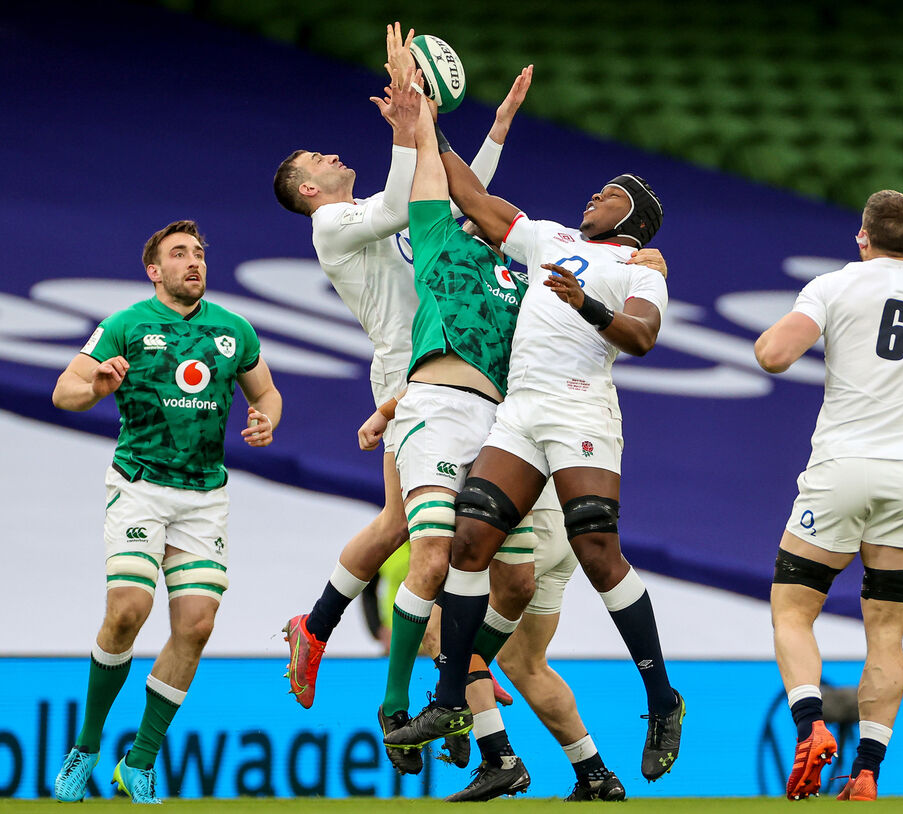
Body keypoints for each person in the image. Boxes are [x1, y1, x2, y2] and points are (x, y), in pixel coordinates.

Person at [358, 77, 660, 799]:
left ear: (635, 220)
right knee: (525, 660)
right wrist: (428, 121)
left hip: (544, 470)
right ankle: (582, 771)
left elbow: (639, 331)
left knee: (465, 619)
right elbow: (475, 199)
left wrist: (420, 130)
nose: (593, 195)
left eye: (610, 192)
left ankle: (433, 711)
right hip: (533, 481)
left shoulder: (619, 267)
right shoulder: (536, 258)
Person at [270, 22, 529, 711]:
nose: (330, 154)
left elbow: (452, 203)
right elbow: (397, 204)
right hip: (410, 375)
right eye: (316, 159)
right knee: (421, 537)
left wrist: (494, 131)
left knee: (424, 532)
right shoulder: (333, 224)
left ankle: (436, 661)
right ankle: (441, 670)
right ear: (307, 189)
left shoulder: (367, 218)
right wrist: (410, 124)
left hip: (442, 373)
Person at [753, 190, 903, 801]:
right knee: (886, 631)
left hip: (840, 467)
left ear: (862, 237)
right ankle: (867, 774)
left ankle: (810, 728)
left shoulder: (833, 286)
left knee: (792, 609)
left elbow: (774, 355)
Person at [50, 220, 282, 804]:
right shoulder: (125, 325)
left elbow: (266, 392)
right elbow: (64, 392)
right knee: (128, 610)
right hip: (141, 486)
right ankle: (86, 745)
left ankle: (141, 762)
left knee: (197, 625)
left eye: (199, 253)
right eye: (179, 254)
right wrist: (99, 384)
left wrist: (266, 419)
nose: (193, 262)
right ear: (154, 271)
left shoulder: (234, 330)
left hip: (204, 496)